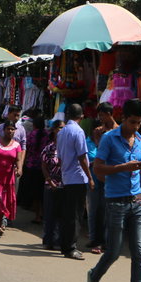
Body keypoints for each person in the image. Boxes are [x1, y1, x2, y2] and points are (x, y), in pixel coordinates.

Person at [86, 99, 141, 282]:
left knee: (139, 252)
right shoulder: (109, 139)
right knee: (114, 252)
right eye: (133, 122)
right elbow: (97, 169)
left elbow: (140, 171)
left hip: (137, 203)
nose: (136, 126)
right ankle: (94, 276)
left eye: (139, 123)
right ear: (123, 118)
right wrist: (122, 169)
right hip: (115, 202)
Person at [56, 103, 94, 260]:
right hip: (77, 177)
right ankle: (70, 247)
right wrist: (90, 177)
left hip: (67, 176)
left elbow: (59, 157)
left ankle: (66, 245)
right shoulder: (78, 131)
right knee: (76, 215)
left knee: (68, 214)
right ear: (82, 116)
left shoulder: (62, 131)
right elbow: (82, 157)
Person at [87, 102, 118, 254]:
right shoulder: (99, 131)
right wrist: (97, 137)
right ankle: (95, 238)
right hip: (98, 172)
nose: (99, 118)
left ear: (109, 114)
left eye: (101, 115)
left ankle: (105, 241)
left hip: (110, 173)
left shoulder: (118, 131)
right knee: (95, 208)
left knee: (107, 209)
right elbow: (100, 152)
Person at [0, 120, 24, 237]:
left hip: (8, 178)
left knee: (4, 201)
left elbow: (18, 160)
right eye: (8, 129)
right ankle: (0, 223)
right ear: (3, 130)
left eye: (12, 129)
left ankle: (0, 225)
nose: (10, 131)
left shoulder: (17, 145)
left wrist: (19, 169)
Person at [41, 120, 64, 250]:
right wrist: (49, 180)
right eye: (60, 128)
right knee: (50, 214)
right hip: (50, 184)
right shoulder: (49, 148)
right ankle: (48, 240)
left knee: (62, 214)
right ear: (54, 130)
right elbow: (44, 166)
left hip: (64, 184)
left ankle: (59, 241)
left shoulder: (67, 147)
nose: (61, 130)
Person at [25, 116, 47, 224]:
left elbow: (27, 148)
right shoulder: (47, 135)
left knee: (35, 192)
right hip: (44, 167)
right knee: (43, 192)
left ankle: (37, 215)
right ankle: (44, 213)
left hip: (32, 166)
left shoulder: (31, 135)